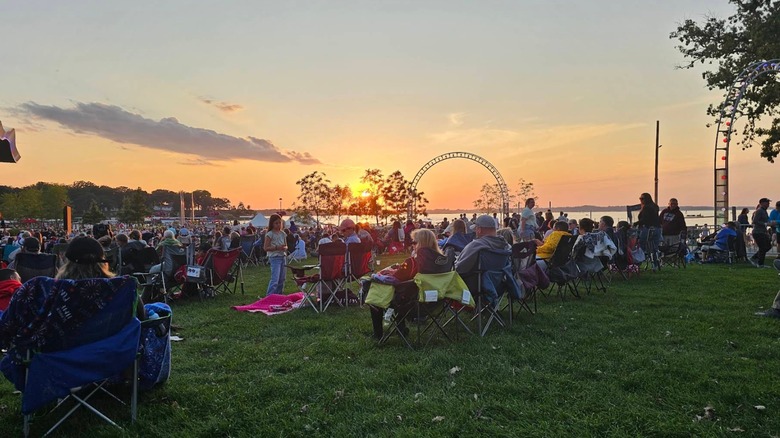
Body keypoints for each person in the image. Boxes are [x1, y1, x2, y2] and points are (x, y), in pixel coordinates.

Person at [368, 229, 450, 339]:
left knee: (378, 297)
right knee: (406, 291)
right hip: (436, 302)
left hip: (414, 304)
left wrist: (385, 274)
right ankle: (401, 330)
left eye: (414, 242)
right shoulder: (442, 261)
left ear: (421, 243)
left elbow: (395, 279)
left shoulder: (413, 262)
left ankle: (378, 335)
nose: (412, 245)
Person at [636, 192, 662, 269]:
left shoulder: (646, 207)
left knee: (641, 245)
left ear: (646, 199)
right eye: (640, 198)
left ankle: (638, 262)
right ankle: (655, 263)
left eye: (642, 199)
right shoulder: (655, 206)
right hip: (657, 228)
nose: (641, 200)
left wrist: (635, 223)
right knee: (654, 247)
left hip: (648, 229)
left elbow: (645, 219)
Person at [263, 214, 287, 295]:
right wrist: (277, 247)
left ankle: (279, 295)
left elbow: (285, 245)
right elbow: (266, 247)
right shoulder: (270, 234)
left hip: (282, 256)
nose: (278, 225)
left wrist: (284, 248)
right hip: (275, 257)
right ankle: (269, 296)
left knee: (282, 278)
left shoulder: (283, 234)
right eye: (276, 223)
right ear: (272, 224)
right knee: (275, 279)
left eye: (279, 223)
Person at [750, 198, 772, 268]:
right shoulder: (759, 211)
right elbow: (755, 221)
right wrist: (765, 224)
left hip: (763, 232)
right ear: (762, 203)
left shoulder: (764, 211)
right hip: (758, 232)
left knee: (768, 246)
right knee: (763, 247)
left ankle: (754, 257)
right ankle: (760, 264)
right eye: (767, 203)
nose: (768, 204)